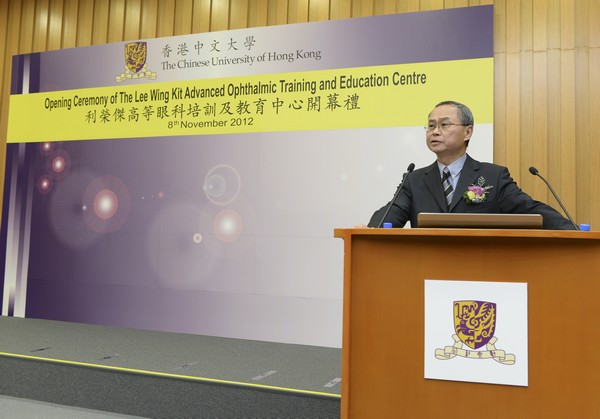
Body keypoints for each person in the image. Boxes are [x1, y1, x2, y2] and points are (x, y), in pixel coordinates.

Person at [366, 100, 576, 230]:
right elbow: (390, 214)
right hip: (427, 272)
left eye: (444, 125)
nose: (435, 131)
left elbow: (529, 209)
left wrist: (573, 231)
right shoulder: (415, 180)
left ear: (468, 131)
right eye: (431, 126)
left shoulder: (493, 177)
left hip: (481, 273)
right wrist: (366, 232)